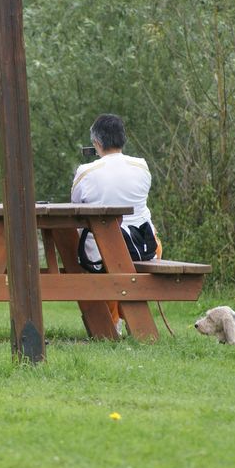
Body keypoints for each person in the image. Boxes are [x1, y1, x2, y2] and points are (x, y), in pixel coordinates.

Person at [70, 114, 162, 331]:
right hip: (146, 248)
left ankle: (113, 322)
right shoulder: (142, 167)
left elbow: (75, 208)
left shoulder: (86, 172)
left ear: (96, 143)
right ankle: (128, 317)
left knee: (102, 256)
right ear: (123, 139)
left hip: (101, 253)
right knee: (124, 261)